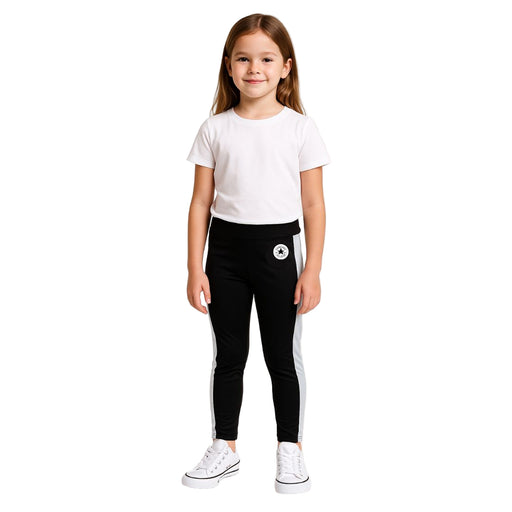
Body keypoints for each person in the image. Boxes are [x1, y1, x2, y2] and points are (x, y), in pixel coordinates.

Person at [182, 13, 331, 494]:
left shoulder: (300, 129)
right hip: (225, 254)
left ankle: (291, 446)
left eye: (267, 59)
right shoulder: (215, 128)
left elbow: (313, 205)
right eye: (244, 59)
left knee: (281, 355)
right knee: (229, 355)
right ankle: (224, 445)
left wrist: (312, 270)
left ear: (285, 67)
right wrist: (195, 268)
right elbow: (200, 203)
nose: (254, 69)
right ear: (229, 65)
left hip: (279, 252)